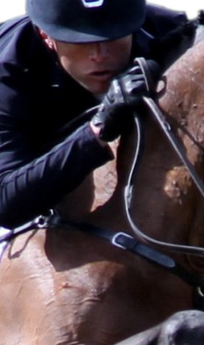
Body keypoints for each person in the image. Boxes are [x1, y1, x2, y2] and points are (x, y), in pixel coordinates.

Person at [0, 0, 193, 228]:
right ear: (46, 36)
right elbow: (7, 206)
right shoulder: (10, 69)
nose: (100, 55)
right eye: (80, 40)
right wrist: (98, 129)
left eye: (112, 37)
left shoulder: (169, 32)